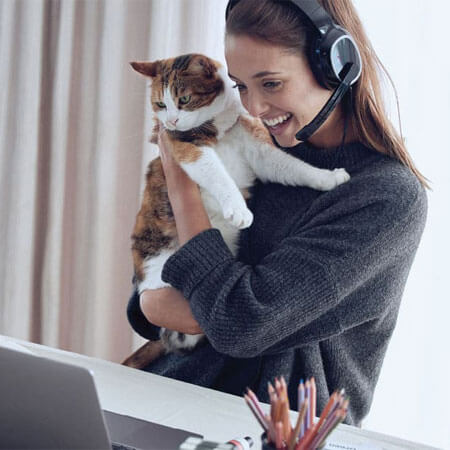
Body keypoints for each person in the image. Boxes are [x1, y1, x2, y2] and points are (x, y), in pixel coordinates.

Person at [126, 0, 428, 427]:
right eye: (241, 86)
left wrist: (182, 186)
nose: (254, 109)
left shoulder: (385, 198)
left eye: (271, 83)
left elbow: (240, 323)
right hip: (165, 401)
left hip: (273, 431)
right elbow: (145, 296)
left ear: (336, 67)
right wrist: (164, 304)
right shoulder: (254, 147)